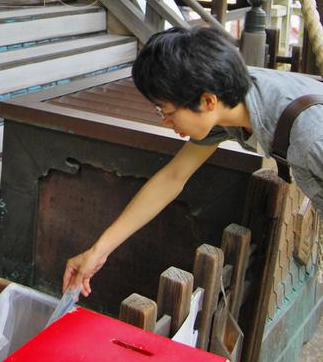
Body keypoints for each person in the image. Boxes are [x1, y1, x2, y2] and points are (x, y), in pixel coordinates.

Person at [63, 25, 323, 296]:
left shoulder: (311, 135)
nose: (166, 122)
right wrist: (97, 252)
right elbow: (173, 177)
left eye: (167, 111)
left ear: (208, 101)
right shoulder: (229, 100)